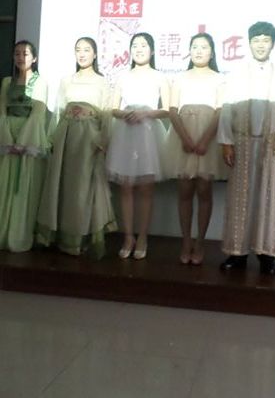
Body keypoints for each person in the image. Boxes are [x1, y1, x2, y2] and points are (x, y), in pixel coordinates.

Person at [218, 22, 275, 276]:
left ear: (273, 43)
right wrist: (226, 143)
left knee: (266, 199)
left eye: (265, 40)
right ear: (249, 43)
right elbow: (227, 109)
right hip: (242, 144)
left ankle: (266, 254)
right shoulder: (237, 74)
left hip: (270, 146)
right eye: (256, 40)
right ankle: (236, 253)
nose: (261, 45)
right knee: (239, 199)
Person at [36, 37, 117, 258]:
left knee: (83, 188)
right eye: (78, 50)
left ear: (95, 54)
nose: (82, 54)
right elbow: (58, 112)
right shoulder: (66, 80)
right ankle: (61, 237)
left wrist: (103, 140)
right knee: (62, 185)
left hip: (89, 139)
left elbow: (107, 115)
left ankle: (80, 238)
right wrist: (52, 139)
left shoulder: (103, 82)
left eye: (87, 50)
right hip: (66, 137)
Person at [164, 32, 227, 265]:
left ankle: (200, 242)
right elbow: (172, 110)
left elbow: (221, 112)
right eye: (195, 47)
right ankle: (185, 241)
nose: (199, 51)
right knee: (184, 192)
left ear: (212, 52)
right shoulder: (179, 78)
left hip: (208, 140)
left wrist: (204, 140)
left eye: (204, 47)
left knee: (204, 191)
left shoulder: (220, 79)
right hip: (183, 138)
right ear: (189, 51)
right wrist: (186, 139)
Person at [106, 32, 169, 260]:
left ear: (152, 51)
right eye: (135, 45)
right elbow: (113, 108)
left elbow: (168, 109)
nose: (139, 49)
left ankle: (142, 237)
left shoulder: (160, 76)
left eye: (143, 45)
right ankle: (127, 237)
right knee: (125, 187)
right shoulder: (123, 76)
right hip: (126, 132)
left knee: (145, 189)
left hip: (148, 134)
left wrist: (146, 113)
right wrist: (125, 113)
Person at [0, 41, 50, 252]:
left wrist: (22, 141)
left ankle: (19, 235)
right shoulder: (7, 81)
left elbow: (38, 113)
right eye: (17, 54)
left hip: (29, 137)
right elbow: (2, 110)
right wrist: (7, 138)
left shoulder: (41, 82)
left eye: (26, 54)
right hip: (7, 137)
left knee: (24, 188)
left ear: (34, 58)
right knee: (4, 186)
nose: (21, 57)